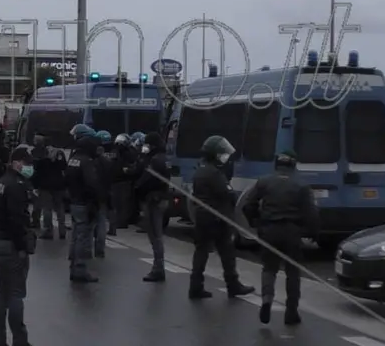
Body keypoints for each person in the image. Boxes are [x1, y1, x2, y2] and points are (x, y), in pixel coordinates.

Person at [243, 151, 316, 323]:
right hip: (292, 231)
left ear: (277, 164)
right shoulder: (301, 186)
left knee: (269, 268)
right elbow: (312, 213)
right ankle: (291, 311)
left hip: (269, 230)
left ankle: (267, 300)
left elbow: (248, 204)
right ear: (293, 165)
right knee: (293, 272)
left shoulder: (264, 182)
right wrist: (312, 232)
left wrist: (256, 222)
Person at [189, 135, 254, 300]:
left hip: (203, 218)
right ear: (214, 154)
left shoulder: (200, 170)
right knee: (227, 254)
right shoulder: (214, 173)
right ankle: (233, 285)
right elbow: (228, 194)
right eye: (222, 153)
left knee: (201, 253)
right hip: (217, 219)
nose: (225, 156)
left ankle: (195, 286)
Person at [0, 145, 36, 346]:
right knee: (16, 294)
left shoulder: (0, 182)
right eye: (26, 164)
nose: (29, 167)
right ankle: (20, 340)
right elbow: (16, 219)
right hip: (12, 244)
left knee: (2, 294)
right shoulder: (16, 185)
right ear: (16, 163)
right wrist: (22, 246)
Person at [64, 124, 104, 282]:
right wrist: (95, 201)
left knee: (75, 235)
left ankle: (74, 265)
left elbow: (67, 179)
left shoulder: (73, 159)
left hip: (74, 201)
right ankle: (80, 269)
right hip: (85, 203)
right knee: (83, 237)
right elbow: (92, 184)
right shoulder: (87, 162)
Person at [133, 132, 173, 282]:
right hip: (161, 199)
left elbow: (146, 179)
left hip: (153, 200)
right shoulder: (164, 158)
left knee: (155, 235)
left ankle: (158, 268)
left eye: (147, 144)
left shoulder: (155, 160)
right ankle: (158, 267)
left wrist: (137, 187)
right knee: (157, 235)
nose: (145, 147)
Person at [29, 136, 69, 240]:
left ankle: (48, 231)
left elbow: (36, 172)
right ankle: (62, 231)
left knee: (47, 209)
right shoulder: (59, 153)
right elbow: (64, 167)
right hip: (59, 185)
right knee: (60, 208)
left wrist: (35, 186)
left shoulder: (41, 155)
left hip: (45, 186)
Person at [108, 133, 138, 232]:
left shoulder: (121, 152)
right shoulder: (122, 152)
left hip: (121, 180)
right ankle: (120, 222)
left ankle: (121, 222)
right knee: (120, 203)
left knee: (121, 203)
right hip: (120, 180)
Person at [93, 130, 115, 250]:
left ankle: (89, 248)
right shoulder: (109, 161)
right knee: (102, 221)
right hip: (105, 194)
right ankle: (100, 247)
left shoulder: (92, 162)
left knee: (91, 223)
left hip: (93, 194)